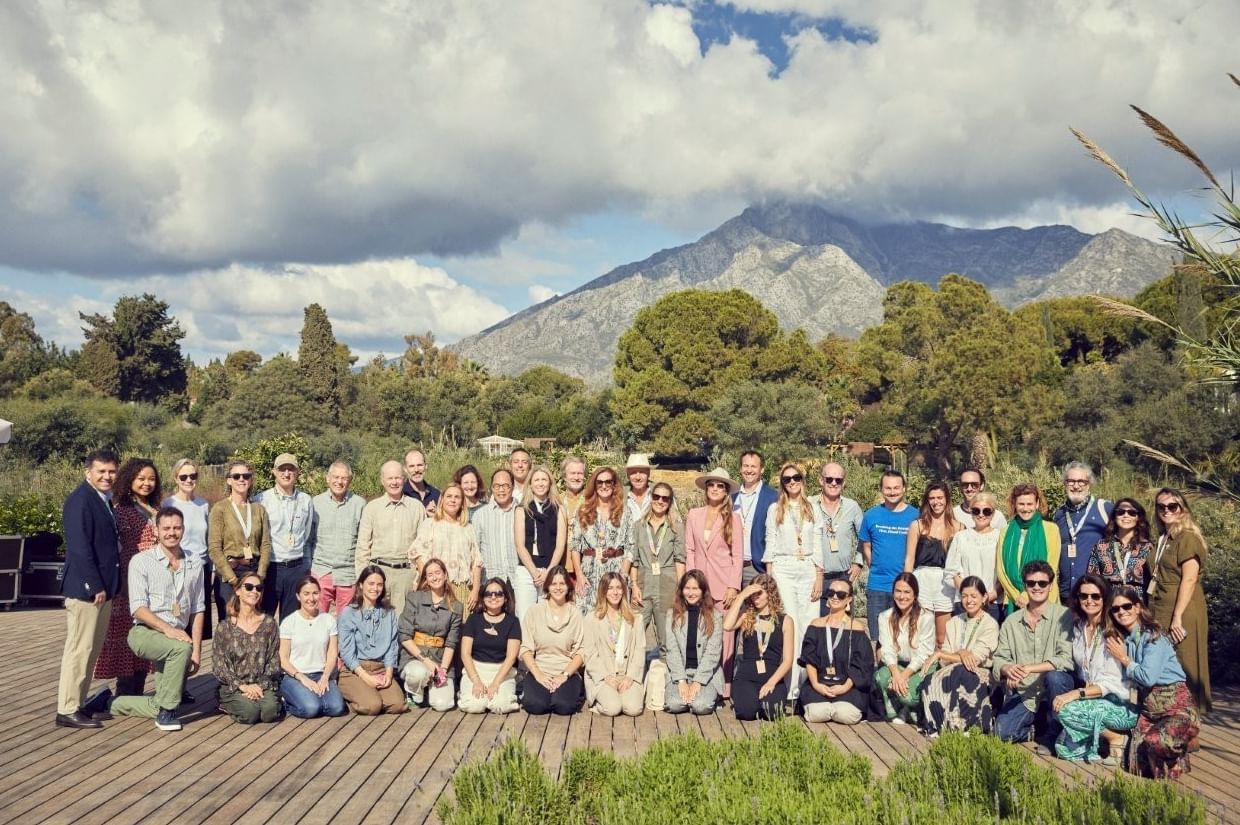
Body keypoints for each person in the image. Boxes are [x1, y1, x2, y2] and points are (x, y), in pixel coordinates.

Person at [109, 506, 205, 731]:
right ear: (156, 531)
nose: (172, 533)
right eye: (167, 528)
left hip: (176, 637)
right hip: (145, 633)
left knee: (164, 699)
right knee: (181, 649)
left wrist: (198, 651)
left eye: (177, 528)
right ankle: (167, 716)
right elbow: (138, 609)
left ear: (183, 530)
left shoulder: (195, 562)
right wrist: (170, 631)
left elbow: (198, 609)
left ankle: (110, 702)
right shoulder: (141, 561)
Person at [1106, 584, 1200, 778]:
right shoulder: (1127, 639)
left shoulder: (1153, 637)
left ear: (1138, 607)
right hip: (1149, 709)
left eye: (1126, 606)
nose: (1121, 612)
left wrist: (1124, 659)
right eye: (1115, 609)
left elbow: (1148, 678)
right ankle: (1172, 749)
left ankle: (1182, 741)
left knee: (1156, 741)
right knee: (1135, 767)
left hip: (1175, 705)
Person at [56, 449, 121, 730]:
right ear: (88, 473)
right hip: (87, 590)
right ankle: (67, 709)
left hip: (102, 590)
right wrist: (95, 585)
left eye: (111, 471)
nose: (107, 476)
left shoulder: (102, 500)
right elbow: (80, 549)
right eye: (101, 471)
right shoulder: (79, 501)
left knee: (90, 650)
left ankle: (79, 705)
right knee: (79, 650)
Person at [1052, 574, 1136, 764]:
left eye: (1095, 596)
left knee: (1065, 710)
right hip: (1094, 698)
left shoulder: (1112, 632)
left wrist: (1075, 694)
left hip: (1120, 703)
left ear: (1105, 598)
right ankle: (1095, 737)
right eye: (1084, 596)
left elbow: (1111, 683)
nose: (1089, 601)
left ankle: (1116, 736)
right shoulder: (1078, 627)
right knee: (1063, 750)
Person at [992, 560, 1075, 747]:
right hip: (1026, 691)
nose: (1037, 587)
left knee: (1055, 677)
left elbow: (1066, 659)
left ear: (1050, 585)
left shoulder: (1064, 616)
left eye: (1042, 583)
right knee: (1001, 734)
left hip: (1057, 689)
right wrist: (1008, 669)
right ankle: (1037, 728)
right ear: (1025, 585)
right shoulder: (1011, 622)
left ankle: (1057, 728)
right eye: (1031, 583)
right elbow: (999, 659)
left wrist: (1030, 668)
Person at [96, 457, 160, 697]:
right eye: (141, 478)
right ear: (129, 480)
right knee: (126, 637)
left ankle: (139, 690)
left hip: (153, 581)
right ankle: (124, 694)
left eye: (151, 479)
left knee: (147, 634)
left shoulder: (156, 508)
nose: (146, 483)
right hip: (128, 580)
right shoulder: (120, 509)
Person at [1148, 488, 1212, 713]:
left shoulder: (1187, 538)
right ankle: (1171, 716)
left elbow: (1190, 578)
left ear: (1183, 509)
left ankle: (1191, 721)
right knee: (1167, 664)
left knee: (1186, 662)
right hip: (1161, 605)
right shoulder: (1164, 537)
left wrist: (1177, 617)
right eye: (1161, 506)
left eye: (1172, 506)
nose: (1166, 511)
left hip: (1182, 608)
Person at [763, 462, 823, 701]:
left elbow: (818, 543)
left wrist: (819, 574)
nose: (792, 482)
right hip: (784, 567)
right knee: (791, 624)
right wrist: (770, 578)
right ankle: (789, 687)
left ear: (802, 480)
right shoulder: (774, 509)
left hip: (808, 566)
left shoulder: (813, 508)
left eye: (796, 477)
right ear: (782, 483)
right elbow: (771, 541)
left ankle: (806, 684)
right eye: (787, 479)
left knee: (809, 624)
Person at [686, 468, 744, 695]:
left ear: (727, 491)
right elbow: (690, 549)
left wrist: (733, 586)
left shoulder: (733, 518)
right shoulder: (693, 514)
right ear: (706, 488)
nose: (716, 489)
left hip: (723, 584)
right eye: (712, 485)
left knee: (725, 635)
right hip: (700, 584)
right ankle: (702, 681)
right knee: (701, 632)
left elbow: (737, 555)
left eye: (721, 486)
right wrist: (691, 582)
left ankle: (725, 687)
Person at [920, 576, 1000, 735]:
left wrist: (942, 654)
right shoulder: (954, 622)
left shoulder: (990, 624)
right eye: (964, 596)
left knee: (963, 674)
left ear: (984, 598)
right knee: (931, 678)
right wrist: (960, 653)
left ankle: (966, 726)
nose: (968, 600)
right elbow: (945, 660)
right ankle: (938, 725)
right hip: (952, 670)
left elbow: (975, 660)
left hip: (980, 673)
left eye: (973, 596)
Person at [355, 460, 425, 616]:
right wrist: (363, 578)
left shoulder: (416, 507)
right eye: (390, 478)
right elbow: (363, 546)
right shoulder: (372, 508)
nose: (394, 482)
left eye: (398, 478)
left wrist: (419, 578)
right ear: (382, 480)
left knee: (402, 626)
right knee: (375, 621)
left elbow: (423, 546)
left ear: (404, 479)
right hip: (378, 574)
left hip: (406, 574)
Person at [858, 469, 920, 644]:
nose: (892, 492)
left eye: (896, 488)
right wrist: (877, 567)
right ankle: (880, 671)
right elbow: (866, 546)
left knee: (904, 637)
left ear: (904, 489)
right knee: (878, 638)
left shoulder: (916, 516)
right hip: (877, 586)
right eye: (888, 488)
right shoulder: (871, 516)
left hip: (905, 588)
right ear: (881, 489)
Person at [623, 481, 685, 655]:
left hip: (668, 584)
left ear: (670, 501)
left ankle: (667, 677)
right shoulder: (638, 526)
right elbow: (633, 559)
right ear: (651, 498)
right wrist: (634, 585)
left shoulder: (676, 527)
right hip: (643, 583)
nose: (660, 501)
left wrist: (680, 589)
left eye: (665, 498)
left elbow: (680, 559)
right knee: (635, 633)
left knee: (667, 637)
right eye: (656, 496)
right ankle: (634, 675)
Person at [799, 578, 871, 724]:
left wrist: (845, 687)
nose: (835, 597)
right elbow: (809, 659)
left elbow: (862, 663)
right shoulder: (816, 625)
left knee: (845, 714)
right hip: (819, 684)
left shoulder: (856, 628)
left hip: (848, 686)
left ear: (849, 599)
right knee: (817, 714)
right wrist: (816, 685)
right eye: (831, 593)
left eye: (841, 594)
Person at [337, 564, 407, 715]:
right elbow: (347, 652)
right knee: (372, 706)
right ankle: (350, 698)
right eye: (371, 583)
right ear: (361, 585)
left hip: (380, 668)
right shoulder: (349, 613)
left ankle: (371, 694)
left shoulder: (388, 613)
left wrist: (389, 673)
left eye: (379, 584)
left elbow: (392, 648)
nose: (375, 588)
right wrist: (365, 677)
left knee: (397, 705)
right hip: (355, 670)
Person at [213, 571, 282, 724]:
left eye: (259, 588)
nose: (254, 591)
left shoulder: (269, 624)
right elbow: (219, 666)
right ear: (238, 591)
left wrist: (259, 685)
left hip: (261, 683)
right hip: (234, 685)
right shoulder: (225, 627)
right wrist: (243, 686)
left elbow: (274, 661)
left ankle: (257, 701)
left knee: (270, 712)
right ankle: (225, 703)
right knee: (250, 714)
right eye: (249, 587)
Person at [725, 576, 795, 721]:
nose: (755, 598)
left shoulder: (785, 621)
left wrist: (771, 682)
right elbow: (727, 626)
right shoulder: (747, 617)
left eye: (759, 593)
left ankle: (763, 703)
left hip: (771, 677)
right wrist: (741, 596)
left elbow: (788, 660)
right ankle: (752, 702)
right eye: (752, 594)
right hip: (747, 677)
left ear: (770, 593)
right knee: (746, 713)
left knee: (772, 713)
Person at [208, 460, 272, 616]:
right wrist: (232, 579)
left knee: (252, 621)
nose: (241, 479)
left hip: (254, 572)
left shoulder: (258, 509)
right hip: (231, 572)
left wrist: (260, 576)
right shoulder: (220, 509)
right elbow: (214, 549)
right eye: (236, 476)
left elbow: (265, 545)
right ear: (229, 480)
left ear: (250, 480)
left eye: (246, 476)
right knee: (230, 624)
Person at [519, 566, 586, 715]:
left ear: (568, 587)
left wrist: (564, 675)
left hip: (566, 672)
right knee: (536, 705)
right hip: (540, 669)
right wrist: (538, 674)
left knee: (564, 706)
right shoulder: (534, 612)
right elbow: (525, 648)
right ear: (547, 587)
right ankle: (543, 694)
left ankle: (566, 693)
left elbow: (581, 651)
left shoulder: (575, 614)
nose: (558, 588)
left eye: (562, 584)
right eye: (554, 584)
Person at [398, 558, 463, 711]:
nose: (434, 577)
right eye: (430, 574)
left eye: (438, 573)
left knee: (443, 704)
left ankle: (430, 691)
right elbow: (404, 636)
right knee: (418, 674)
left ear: (445, 575)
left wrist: (443, 670)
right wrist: (425, 660)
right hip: (415, 655)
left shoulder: (456, 606)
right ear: (426, 579)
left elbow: (451, 643)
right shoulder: (415, 598)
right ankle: (414, 691)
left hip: (441, 658)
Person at [278, 575, 347, 718]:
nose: (311, 598)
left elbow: (332, 653)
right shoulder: (289, 622)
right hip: (296, 676)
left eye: (315, 593)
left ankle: (311, 699)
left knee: (336, 708)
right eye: (306, 594)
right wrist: (303, 678)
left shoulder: (328, 620)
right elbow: (283, 659)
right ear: (298, 596)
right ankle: (286, 702)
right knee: (311, 709)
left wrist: (326, 677)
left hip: (321, 674)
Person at [256, 453, 314, 619]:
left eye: (291, 469)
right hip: (271, 567)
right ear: (274, 471)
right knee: (264, 619)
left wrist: (305, 566)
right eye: (282, 469)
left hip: (296, 568)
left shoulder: (306, 501)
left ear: (297, 473)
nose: (286, 473)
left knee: (290, 622)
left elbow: (307, 534)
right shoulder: (261, 499)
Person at [410, 484, 483, 611]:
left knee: (461, 628)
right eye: (449, 496)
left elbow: (476, 560)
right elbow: (418, 554)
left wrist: (476, 589)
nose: (453, 500)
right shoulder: (430, 524)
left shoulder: (467, 528)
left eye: (457, 497)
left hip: (462, 589)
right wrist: (428, 581)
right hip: (435, 588)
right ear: (442, 499)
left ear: (462, 502)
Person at [874, 572, 936, 724]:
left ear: (915, 595)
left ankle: (913, 709)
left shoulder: (926, 618)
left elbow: (923, 654)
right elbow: (887, 649)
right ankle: (896, 711)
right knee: (880, 677)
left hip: (922, 666)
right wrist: (896, 674)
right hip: (898, 665)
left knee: (906, 694)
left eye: (907, 592)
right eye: (898, 591)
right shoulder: (884, 617)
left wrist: (903, 676)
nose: (902, 596)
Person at [904, 482, 959, 647]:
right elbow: (909, 558)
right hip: (922, 580)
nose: (936, 502)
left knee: (943, 637)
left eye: (940, 497)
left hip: (946, 584)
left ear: (947, 499)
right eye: (932, 498)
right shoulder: (917, 525)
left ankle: (940, 671)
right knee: (920, 633)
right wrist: (907, 585)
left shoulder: (958, 528)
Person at [571, 467, 633, 615]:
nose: (604, 486)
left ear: (614, 485)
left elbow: (631, 546)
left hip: (616, 571)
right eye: (599, 482)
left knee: (615, 620)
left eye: (608, 482)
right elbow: (574, 546)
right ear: (594, 485)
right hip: (589, 572)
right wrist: (579, 575)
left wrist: (623, 575)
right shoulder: (583, 510)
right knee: (587, 620)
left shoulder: (625, 511)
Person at [583, 572, 646, 716]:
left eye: (619, 588)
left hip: (627, 674)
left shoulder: (636, 619)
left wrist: (630, 677)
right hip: (603, 676)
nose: (615, 592)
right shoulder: (591, 619)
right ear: (603, 591)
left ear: (624, 590)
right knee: (612, 708)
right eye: (610, 588)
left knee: (633, 709)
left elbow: (639, 651)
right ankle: (599, 702)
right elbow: (590, 654)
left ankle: (622, 697)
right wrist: (606, 677)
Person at [310, 461, 366, 616]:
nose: (339, 482)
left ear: (350, 480)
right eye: (335, 477)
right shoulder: (315, 503)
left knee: (346, 622)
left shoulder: (359, 504)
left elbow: (363, 542)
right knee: (317, 619)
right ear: (327, 478)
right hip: (321, 571)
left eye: (344, 478)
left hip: (348, 574)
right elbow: (308, 539)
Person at [664, 570, 724, 715]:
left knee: (700, 706)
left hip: (705, 674)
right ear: (681, 590)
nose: (691, 593)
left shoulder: (715, 616)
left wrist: (697, 682)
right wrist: (681, 681)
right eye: (687, 588)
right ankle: (688, 695)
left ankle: (710, 696)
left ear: (703, 591)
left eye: (695, 589)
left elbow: (713, 653)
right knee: (674, 705)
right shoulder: (672, 615)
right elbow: (672, 650)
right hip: (681, 672)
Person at [458, 577, 521, 714]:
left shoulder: (513, 622)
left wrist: (495, 683)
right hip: (476, 670)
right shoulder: (473, 619)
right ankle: (471, 694)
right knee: (474, 706)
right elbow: (465, 653)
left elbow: (511, 657)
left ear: (505, 598)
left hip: (502, 672)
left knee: (500, 706)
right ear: (483, 598)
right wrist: (476, 681)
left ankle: (494, 698)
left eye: (498, 594)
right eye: (488, 594)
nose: (493, 597)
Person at [997, 484, 1062, 615]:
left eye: (1029, 504)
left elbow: (1051, 566)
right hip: (1013, 602)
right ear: (1014, 504)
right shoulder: (1005, 531)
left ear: (1037, 504)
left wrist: (1028, 595)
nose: (1025, 508)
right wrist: (1017, 597)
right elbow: (1001, 570)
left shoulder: (1051, 529)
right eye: (1021, 504)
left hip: (1044, 599)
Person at [512, 466, 567, 621]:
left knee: (549, 618)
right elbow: (519, 545)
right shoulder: (521, 510)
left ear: (550, 484)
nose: (540, 483)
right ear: (530, 484)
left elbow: (560, 545)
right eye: (536, 480)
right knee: (525, 618)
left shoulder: (560, 510)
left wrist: (548, 571)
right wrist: (534, 572)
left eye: (544, 479)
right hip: (527, 571)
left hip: (551, 571)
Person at [163, 458, 212, 632]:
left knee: (199, 623)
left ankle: (197, 658)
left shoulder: (203, 505)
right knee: (179, 621)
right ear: (176, 478)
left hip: (202, 568)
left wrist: (212, 570)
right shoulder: (168, 504)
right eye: (183, 477)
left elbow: (208, 539)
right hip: (179, 568)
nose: (189, 480)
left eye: (193, 476)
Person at [1052, 462, 1112, 602]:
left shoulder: (1104, 508)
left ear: (1089, 484)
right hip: (1067, 594)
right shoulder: (1059, 514)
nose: (1076, 486)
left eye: (1081, 481)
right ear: (1065, 484)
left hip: (1095, 594)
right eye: (1071, 481)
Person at [810, 461, 864, 616]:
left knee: (843, 626)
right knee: (816, 626)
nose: (833, 483)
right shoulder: (809, 504)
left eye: (838, 480)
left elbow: (865, 536)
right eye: (829, 479)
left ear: (844, 483)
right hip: (815, 577)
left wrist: (859, 562)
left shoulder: (852, 507)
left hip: (843, 576)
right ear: (821, 480)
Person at [943, 491, 1002, 621]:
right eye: (976, 511)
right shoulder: (961, 537)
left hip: (992, 603)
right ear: (971, 512)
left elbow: (1004, 573)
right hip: (965, 603)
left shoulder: (1001, 537)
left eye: (986, 511)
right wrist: (969, 595)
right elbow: (952, 572)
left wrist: (989, 596)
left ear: (993, 513)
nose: (981, 515)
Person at [732, 451, 779, 589]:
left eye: (753, 466)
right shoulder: (731, 497)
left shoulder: (773, 497)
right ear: (740, 468)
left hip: (756, 568)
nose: (749, 470)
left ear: (762, 469)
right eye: (745, 466)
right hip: (731, 568)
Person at [1086, 498, 1152, 593]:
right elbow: (1092, 579)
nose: (1126, 515)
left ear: (1138, 517)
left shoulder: (1148, 547)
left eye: (1132, 513)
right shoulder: (1101, 546)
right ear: (1114, 517)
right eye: (1121, 512)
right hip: (1110, 602)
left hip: (1138, 603)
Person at [474, 468, 519, 586]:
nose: (501, 490)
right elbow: (475, 551)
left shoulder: (522, 511)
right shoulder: (480, 515)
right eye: (497, 486)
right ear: (492, 488)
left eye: (505, 485)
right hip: (490, 580)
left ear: (513, 487)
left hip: (518, 580)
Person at [953, 467, 1007, 532]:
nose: (969, 489)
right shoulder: (953, 515)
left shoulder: (997, 517)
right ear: (960, 487)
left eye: (974, 485)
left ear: (982, 486)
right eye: (965, 485)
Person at [402, 448, 440, 513]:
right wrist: (425, 513)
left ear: (426, 466)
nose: (416, 470)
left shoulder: (436, 494)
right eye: (411, 466)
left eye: (420, 465)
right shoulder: (401, 494)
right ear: (405, 469)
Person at [623, 453, 655, 523]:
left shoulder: (659, 493)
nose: (638, 477)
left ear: (648, 474)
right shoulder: (620, 495)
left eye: (642, 472)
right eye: (633, 473)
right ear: (628, 475)